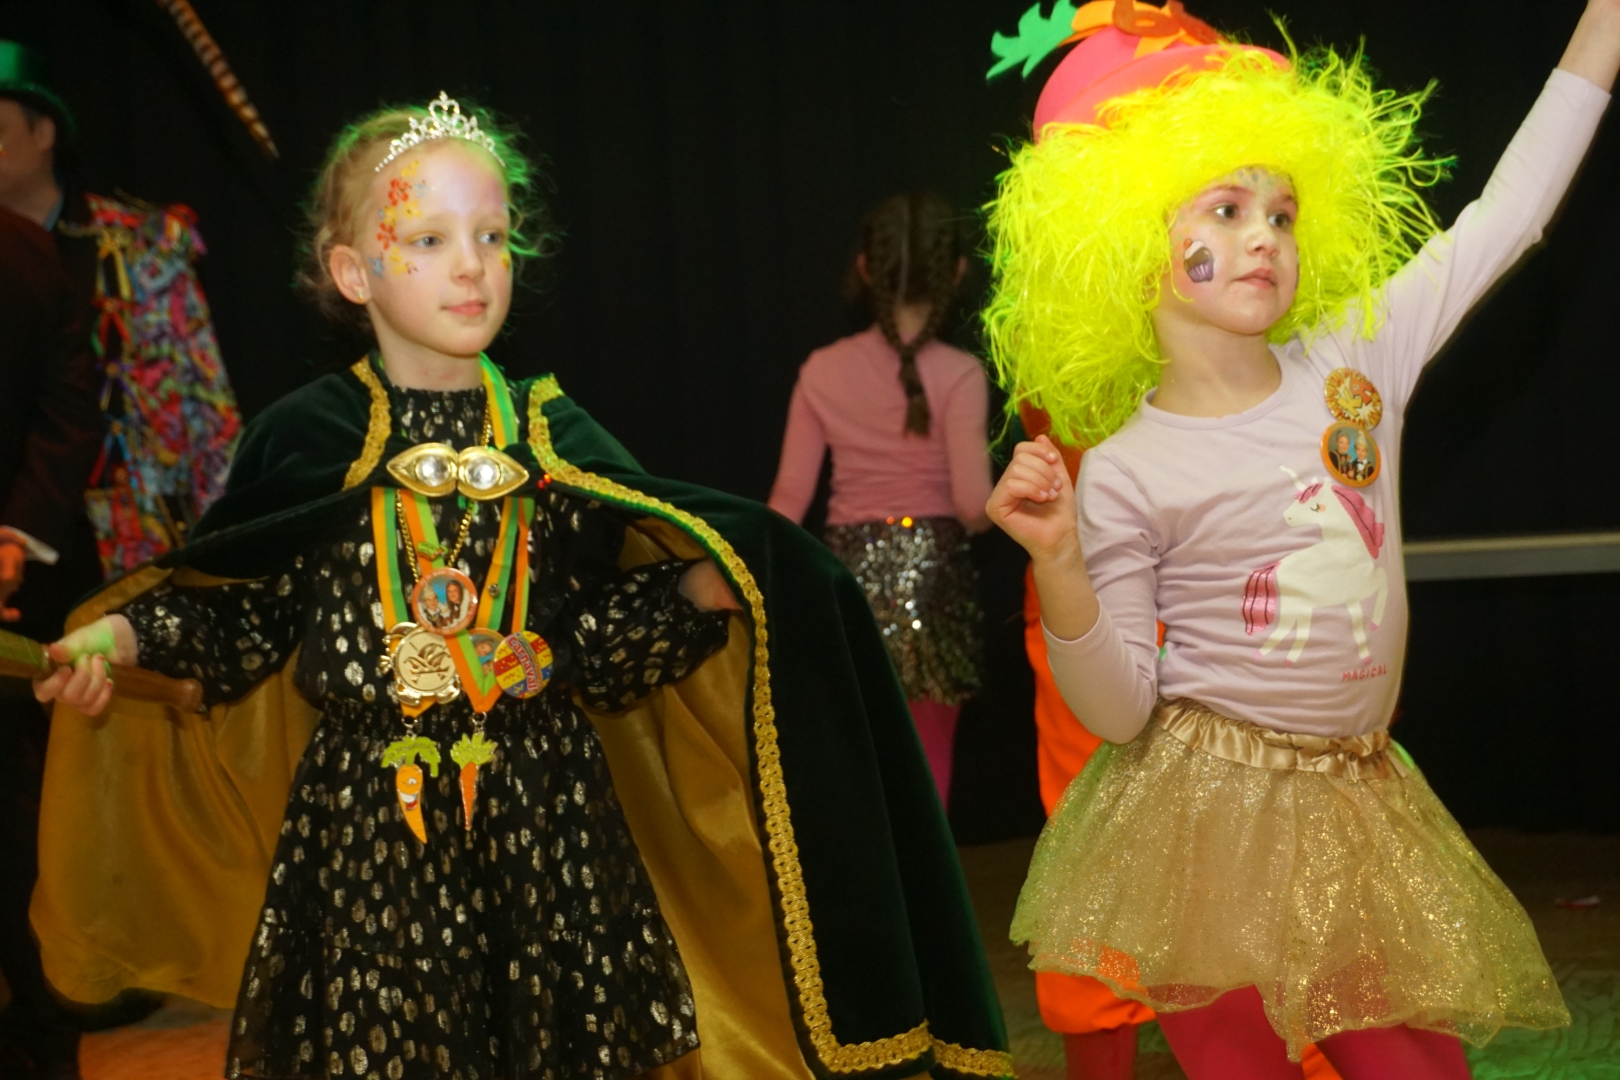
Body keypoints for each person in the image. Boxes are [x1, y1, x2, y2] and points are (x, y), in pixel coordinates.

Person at [32, 93, 1013, 1079]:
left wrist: (691, 597)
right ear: (353, 272)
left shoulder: (554, 435)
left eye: (492, 236)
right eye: (428, 238)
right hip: (377, 834)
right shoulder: (309, 439)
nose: (472, 264)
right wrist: (120, 641)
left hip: (548, 829)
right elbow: (240, 609)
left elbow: (583, 630)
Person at [984, 0, 1620, 1076]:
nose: (1264, 238)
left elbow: (1508, 213)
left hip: (1357, 800)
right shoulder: (1128, 468)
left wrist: (1601, 30)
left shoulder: (1356, 358)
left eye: (1280, 213)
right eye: (1226, 210)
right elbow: (1120, 709)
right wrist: (1059, 565)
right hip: (1206, 829)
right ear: (1129, 240)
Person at [768, 190, 992, 809]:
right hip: (936, 580)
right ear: (955, 273)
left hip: (848, 582)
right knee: (928, 758)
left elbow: (788, 498)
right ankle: (926, 871)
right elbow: (974, 507)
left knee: (858, 755)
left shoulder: (821, 369)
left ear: (866, 268)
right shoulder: (961, 374)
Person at [0, 40, 107, 1080]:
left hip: (16, 597)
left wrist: (14, 538)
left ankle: (40, 1034)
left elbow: (73, 409)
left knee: (18, 822)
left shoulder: (32, 257)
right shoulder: (33, 253)